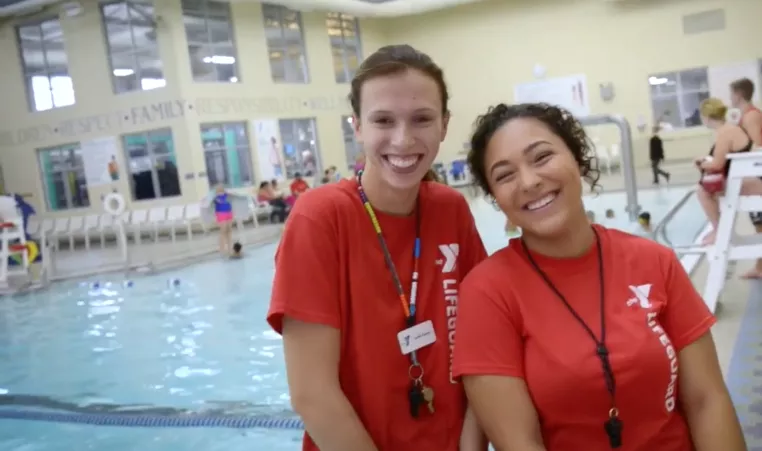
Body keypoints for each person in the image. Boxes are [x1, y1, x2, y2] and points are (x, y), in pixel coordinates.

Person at [451, 102, 745, 450]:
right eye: (504, 175)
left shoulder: (654, 261)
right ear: (496, 199)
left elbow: (707, 400)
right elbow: (519, 443)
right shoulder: (488, 292)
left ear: (578, 159)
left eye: (542, 157)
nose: (529, 181)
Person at [267, 45, 488, 451]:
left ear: (444, 124)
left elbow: (483, 350)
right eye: (383, 120)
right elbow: (312, 395)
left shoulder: (450, 209)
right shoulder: (320, 218)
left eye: (421, 119)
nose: (403, 140)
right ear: (357, 127)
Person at [695, 98, 762, 245]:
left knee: (702, 191)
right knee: (709, 190)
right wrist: (707, 162)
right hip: (748, 178)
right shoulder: (730, 128)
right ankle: (721, 229)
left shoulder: (724, 133)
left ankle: (719, 230)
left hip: (745, 182)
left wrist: (701, 164)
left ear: (706, 117)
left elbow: (718, 164)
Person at [730, 78, 762, 278]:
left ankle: (760, 267)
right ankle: (759, 266)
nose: (730, 98)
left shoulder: (750, 116)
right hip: (755, 168)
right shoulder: (748, 115)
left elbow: (758, 144)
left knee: (760, 222)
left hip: (757, 169)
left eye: (731, 93)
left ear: (739, 94)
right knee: (759, 223)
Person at [209, 184, 234, 256]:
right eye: (218, 189)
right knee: (223, 230)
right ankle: (222, 248)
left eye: (221, 188)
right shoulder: (215, 197)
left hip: (229, 212)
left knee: (229, 230)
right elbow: (209, 201)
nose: (220, 189)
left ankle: (230, 247)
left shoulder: (227, 195)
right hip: (220, 214)